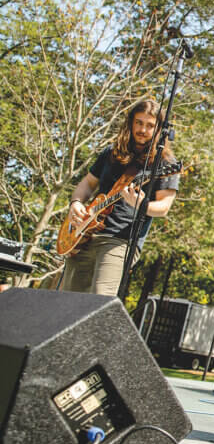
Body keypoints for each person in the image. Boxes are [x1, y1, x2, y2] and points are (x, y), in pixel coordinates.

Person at [61, 99, 179, 297]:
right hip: (84, 236)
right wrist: (76, 203)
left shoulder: (165, 163)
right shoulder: (111, 152)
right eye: (139, 123)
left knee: (99, 300)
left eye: (150, 125)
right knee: (68, 300)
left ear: (159, 129)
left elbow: (164, 207)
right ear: (131, 123)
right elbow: (87, 183)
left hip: (120, 241)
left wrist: (141, 205)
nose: (142, 129)